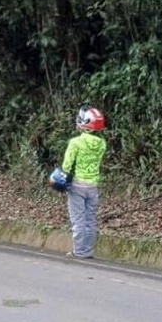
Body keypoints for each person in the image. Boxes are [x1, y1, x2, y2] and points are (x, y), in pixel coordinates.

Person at [61, 105, 107, 259]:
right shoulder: (102, 144)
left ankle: (79, 251)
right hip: (93, 186)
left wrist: (62, 181)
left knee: (78, 219)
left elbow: (67, 165)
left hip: (77, 185)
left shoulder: (75, 143)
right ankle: (88, 250)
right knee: (90, 219)